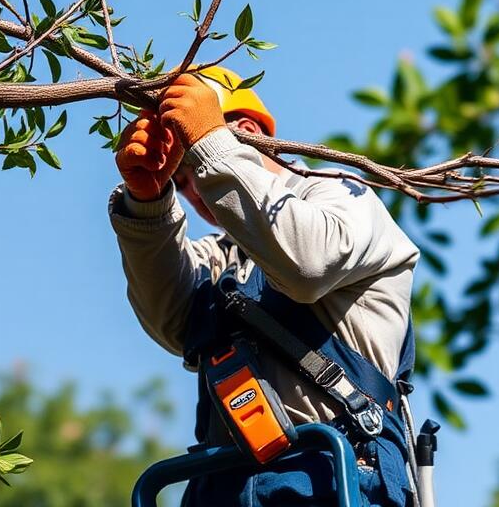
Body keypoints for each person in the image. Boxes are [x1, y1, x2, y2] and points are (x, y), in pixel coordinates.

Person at [108, 66, 421, 506]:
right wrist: (147, 206)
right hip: (222, 488)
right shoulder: (222, 259)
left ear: (248, 131)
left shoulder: (342, 198)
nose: (194, 192)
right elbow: (172, 321)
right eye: (179, 182)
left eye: (194, 167)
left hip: (331, 481)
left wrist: (210, 147)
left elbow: (306, 266)